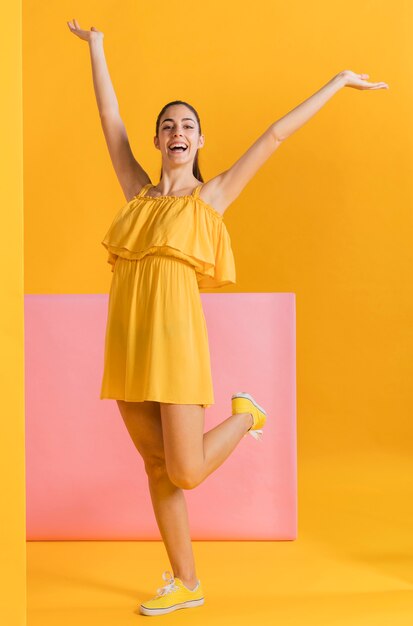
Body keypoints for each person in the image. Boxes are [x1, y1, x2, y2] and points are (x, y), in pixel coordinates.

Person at [68, 18, 389, 616]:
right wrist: (99, 48)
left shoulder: (210, 196)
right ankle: (187, 583)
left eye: (187, 124)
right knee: (157, 467)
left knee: (185, 470)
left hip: (176, 343)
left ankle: (245, 417)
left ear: (199, 139)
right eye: (167, 125)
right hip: (129, 339)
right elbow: (109, 124)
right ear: (159, 140)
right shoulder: (137, 193)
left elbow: (271, 136)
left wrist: (337, 82)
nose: (176, 131)